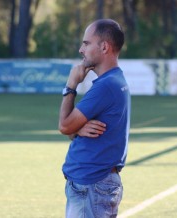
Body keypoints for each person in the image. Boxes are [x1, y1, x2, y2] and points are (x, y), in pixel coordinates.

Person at [58, 19, 131, 218]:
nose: (81, 49)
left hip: (91, 185)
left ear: (104, 46)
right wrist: (77, 128)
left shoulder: (106, 86)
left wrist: (71, 85)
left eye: (86, 43)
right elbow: (71, 128)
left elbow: (64, 125)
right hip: (93, 185)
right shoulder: (113, 80)